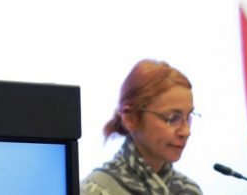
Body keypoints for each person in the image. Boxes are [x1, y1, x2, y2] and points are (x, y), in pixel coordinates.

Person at [81, 59, 202, 195]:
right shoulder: (96, 190)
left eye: (189, 117)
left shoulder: (189, 191)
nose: (186, 131)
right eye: (172, 118)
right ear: (130, 118)